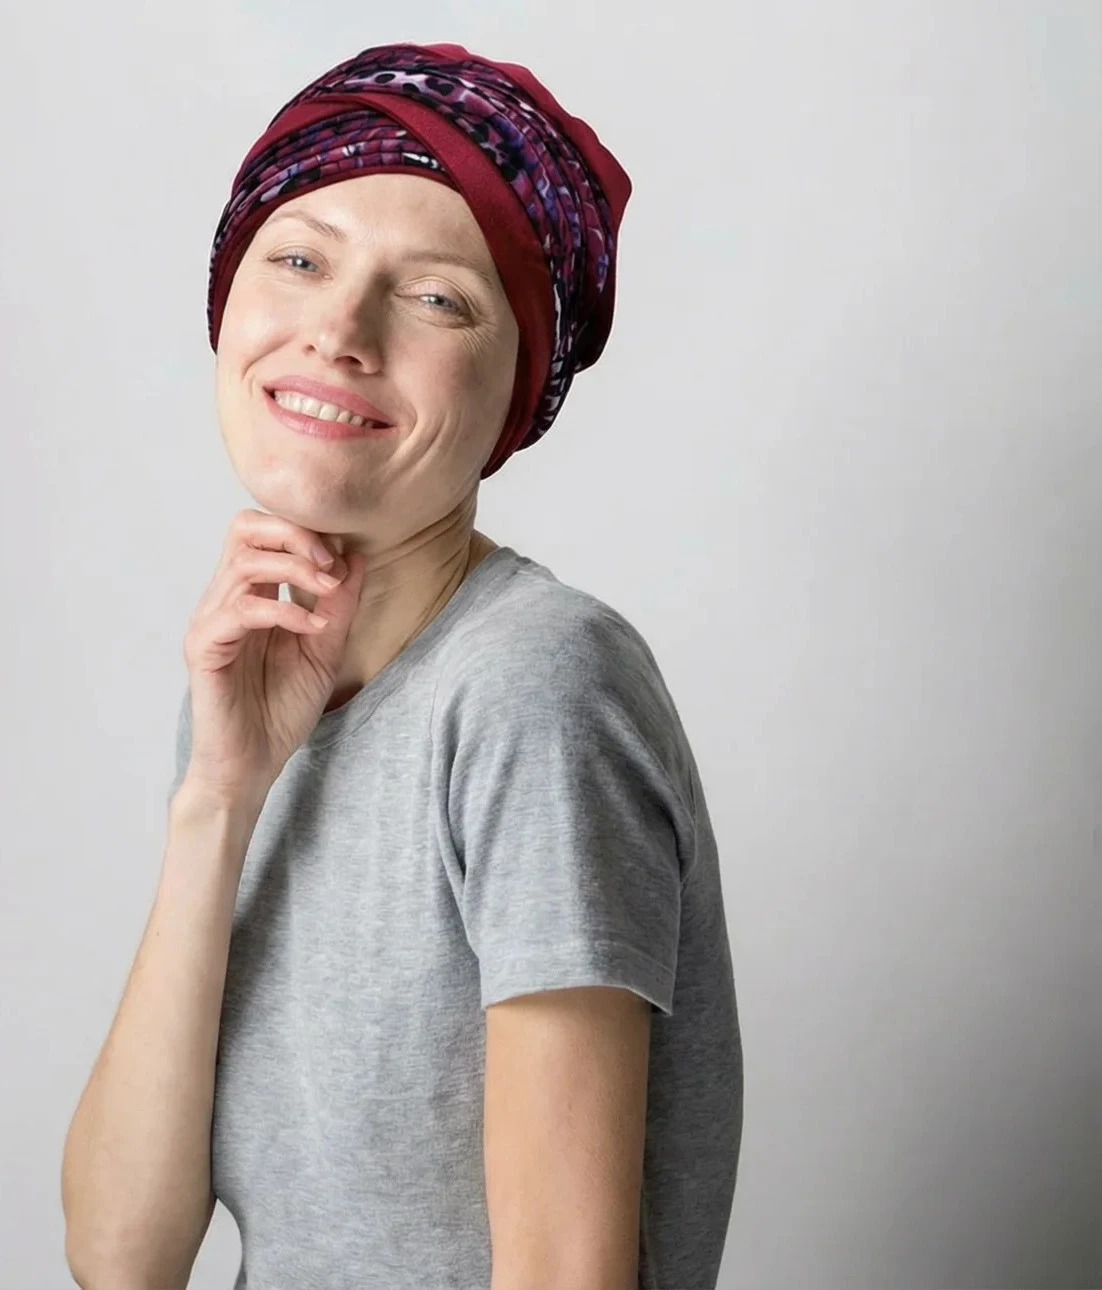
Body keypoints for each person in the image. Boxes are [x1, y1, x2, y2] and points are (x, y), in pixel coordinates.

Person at [62, 41, 743, 1290]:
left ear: (514, 389)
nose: (338, 329)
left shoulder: (536, 687)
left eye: (434, 298)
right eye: (300, 258)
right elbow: (120, 1257)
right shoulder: (259, 680)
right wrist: (217, 798)